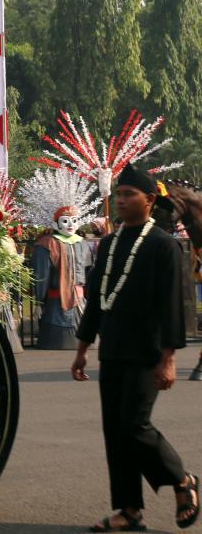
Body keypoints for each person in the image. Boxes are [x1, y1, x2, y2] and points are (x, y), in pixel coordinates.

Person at [72, 163, 198, 532]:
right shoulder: (108, 245)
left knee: (134, 424)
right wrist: (82, 348)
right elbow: (95, 300)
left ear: (148, 200)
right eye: (119, 194)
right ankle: (128, 510)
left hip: (148, 351)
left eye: (129, 195)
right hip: (112, 349)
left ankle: (181, 480)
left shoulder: (163, 245)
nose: (121, 201)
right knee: (115, 429)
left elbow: (172, 306)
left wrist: (169, 359)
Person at [33, 206, 94, 350]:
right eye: (65, 221)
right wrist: (38, 300)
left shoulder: (82, 243)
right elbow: (41, 276)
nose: (71, 225)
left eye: (74, 220)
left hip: (80, 303)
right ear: (55, 224)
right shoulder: (47, 244)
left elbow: (89, 272)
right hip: (56, 302)